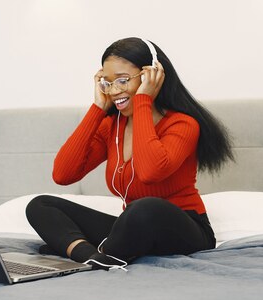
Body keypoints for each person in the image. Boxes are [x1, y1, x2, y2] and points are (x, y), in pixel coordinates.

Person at [26, 37, 233, 270]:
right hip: (130, 229)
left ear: (151, 76)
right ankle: (92, 256)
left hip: (184, 230)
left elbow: (149, 172)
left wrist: (143, 100)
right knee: (40, 205)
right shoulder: (112, 128)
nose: (114, 91)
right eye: (107, 82)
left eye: (122, 80)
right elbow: (63, 174)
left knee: (145, 208)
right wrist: (97, 109)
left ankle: (95, 251)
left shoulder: (183, 124)